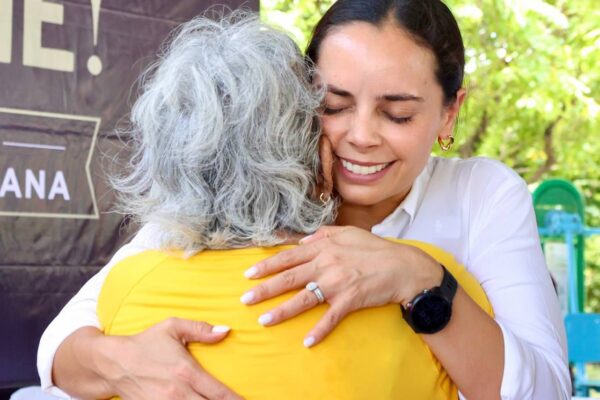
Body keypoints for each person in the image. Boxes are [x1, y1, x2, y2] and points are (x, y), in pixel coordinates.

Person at [38, 1, 570, 399]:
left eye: (398, 114)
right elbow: (62, 343)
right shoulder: (238, 193)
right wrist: (121, 362)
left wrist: (420, 279)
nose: (360, 136)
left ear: (450, 113)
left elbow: (547, 388)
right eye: (332, 105)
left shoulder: (482, 194)